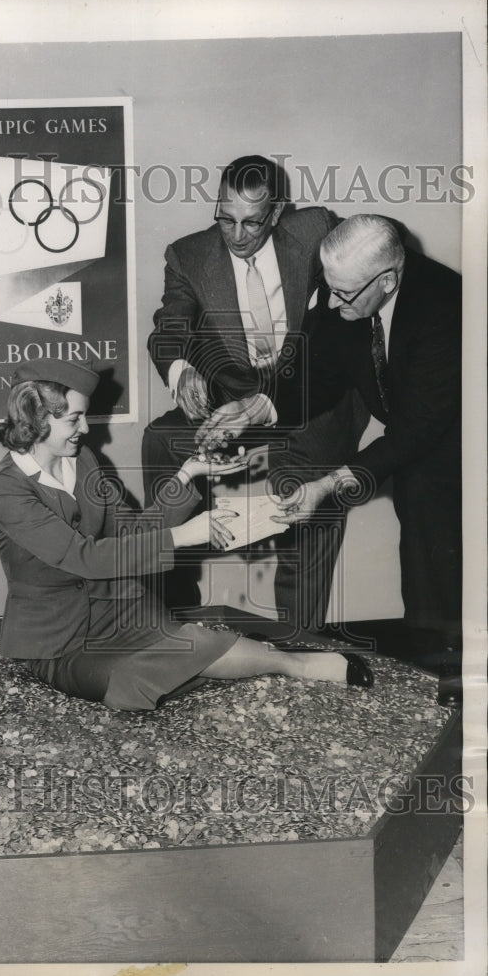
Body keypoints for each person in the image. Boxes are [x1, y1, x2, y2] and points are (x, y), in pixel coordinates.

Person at [0, 357, 372, 713]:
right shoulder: (3, 488)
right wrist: (182, 535)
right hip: (56, 643)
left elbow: (131, 531)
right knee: (130, 682)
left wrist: (187, 473)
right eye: (74, 419)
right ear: (37, 418)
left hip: (121, 613)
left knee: (190, 645)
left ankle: (291, 662)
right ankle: (242, 653)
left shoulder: (82, 460)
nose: (85, 428)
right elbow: (84, 556)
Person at [198, 215, 462, 677]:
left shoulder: (446, 304)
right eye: (330, 288)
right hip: (418, 428)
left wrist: (327, 485)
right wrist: (258, 407)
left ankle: (453, 667)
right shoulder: (345, 285)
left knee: (434, 520)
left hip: (463, 437)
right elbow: (318, 371)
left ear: (387, 281)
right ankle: (431, 655)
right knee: (421, 534)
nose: (332, 303)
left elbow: (419, 429)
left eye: (344, 294)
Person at [144, 155, 368, 629]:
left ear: (277, 211)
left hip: (311, 400)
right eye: (225, 219)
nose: (237, 234)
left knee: (308, 498)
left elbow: (369, 269)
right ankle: (169, 609)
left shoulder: (315, 230)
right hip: (235, 401)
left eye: (251, 222)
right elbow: (169, 327)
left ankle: (300, 635)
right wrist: (181, 370)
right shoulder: (188, 255)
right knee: (160, 441)